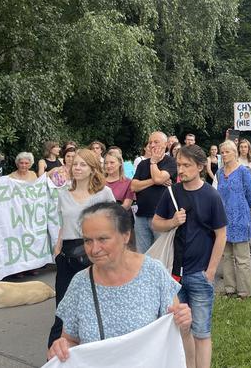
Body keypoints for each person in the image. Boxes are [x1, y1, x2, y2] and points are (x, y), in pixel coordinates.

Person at [47, 202, 192, 364]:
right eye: (88, 240)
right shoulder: (80, 284)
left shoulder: (154, 273)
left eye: (103, 239)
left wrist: (184, 325)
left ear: (126, 235)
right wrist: (61, 346)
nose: (94, 249)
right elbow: (70, 340)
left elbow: (174, 334)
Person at [153, 145, 227, 368]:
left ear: (200, 167)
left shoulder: (211, 196)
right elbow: (155, 222)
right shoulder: (171, 193)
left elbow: (221, 234)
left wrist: (211, 271)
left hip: (200, 274)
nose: (181, 170)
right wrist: (172, 222)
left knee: (201, 331)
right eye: (179, 165)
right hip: (173, 275)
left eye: (186, 165)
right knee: (180, 328)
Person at [48, 149, 116, 347]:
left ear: (92, 168)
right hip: (67, 254)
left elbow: (114, 224)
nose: (77, 168)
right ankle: (54, 357)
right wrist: (58, 247)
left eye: (82, 164)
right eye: (75, 164)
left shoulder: (104, 193)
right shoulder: (63, 193)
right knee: (63, 310)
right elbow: (64, 223)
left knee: (96, 307)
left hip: (95, 254)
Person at [216, 140, 251, 298]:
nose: (224, 155)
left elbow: (250, 195)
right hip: (224, 219)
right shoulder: (219, 172)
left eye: (227, 152)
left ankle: (245, 291)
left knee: (242, 258)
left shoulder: (243, 171)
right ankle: (230, 288)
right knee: (226, 256)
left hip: (240, 218)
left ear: (235, 153)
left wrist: (241, 208)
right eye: (222, 152)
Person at [130, 132, 177, 253]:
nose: (152, 145)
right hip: (141, 216)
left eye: (156, 142)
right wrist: (154, 181)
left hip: (161, 216)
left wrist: (153, 162)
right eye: (150, 142)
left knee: (160, 254)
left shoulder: (171, 162)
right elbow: (134, 186)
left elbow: (158, 179)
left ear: (166, 145)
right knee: (142, 255)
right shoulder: (142, 164)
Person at [104, 150, 136, 249]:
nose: (108, 165)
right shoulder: (99, 182)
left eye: (112, 162)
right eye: (106, 163)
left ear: (120, 164)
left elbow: (127, 205)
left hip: (121, 223)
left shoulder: (128, 182)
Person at [237, 139, 251, 249]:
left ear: (249, 148)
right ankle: (241, 238)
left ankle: (250, 238)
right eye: (241, 146)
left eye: (245, 147)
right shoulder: (235, 161)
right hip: (238, 194)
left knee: (250, 216)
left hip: (250, 194)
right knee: (239, 216)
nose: (243, 149)